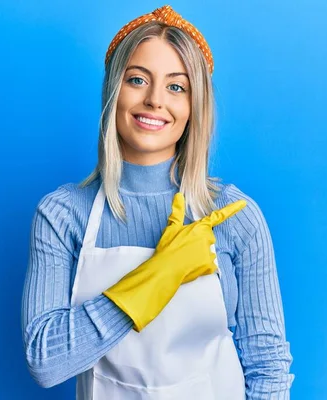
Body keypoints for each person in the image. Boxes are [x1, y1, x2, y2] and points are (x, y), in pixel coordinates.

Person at [21, 4, 294, 399]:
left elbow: (267, 365)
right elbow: (46, 364)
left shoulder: (235, 218)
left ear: (193, 106)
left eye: (176, 86)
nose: (154, 100)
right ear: (114, 92)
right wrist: (158, 276)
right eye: (137, 79)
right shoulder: (63, 215)